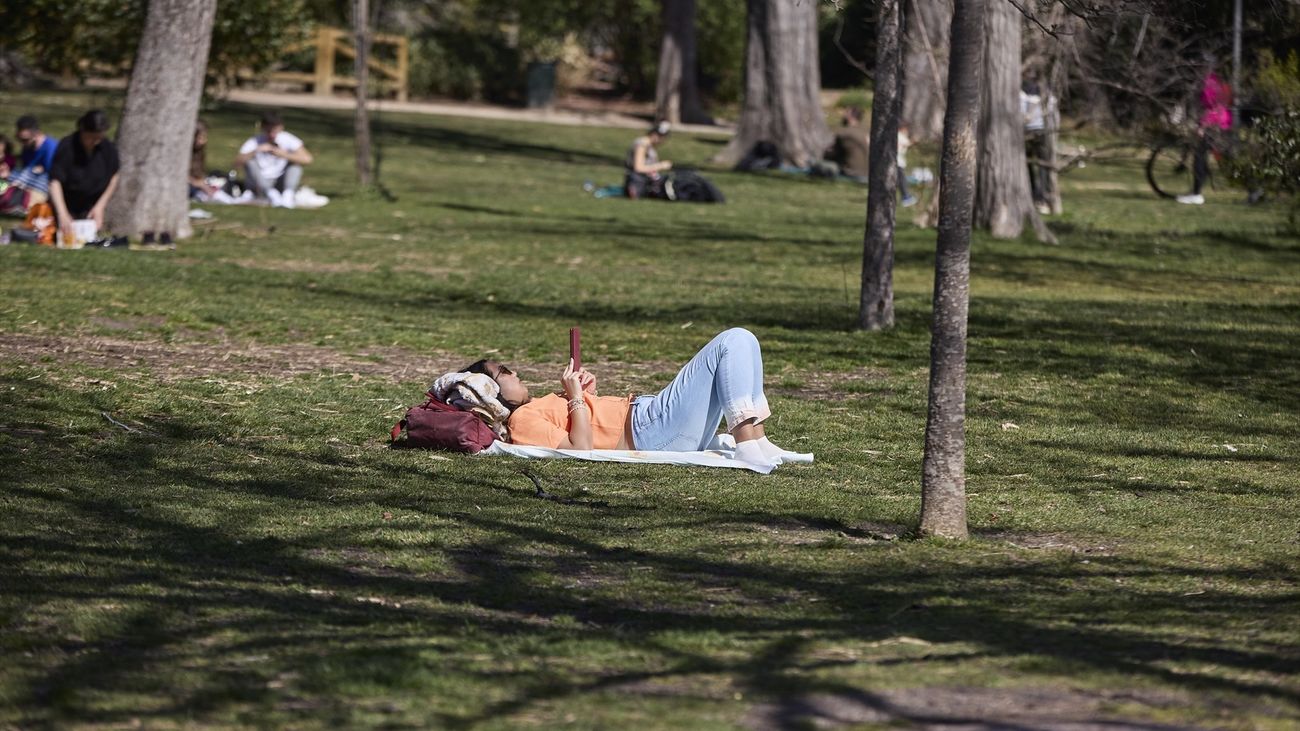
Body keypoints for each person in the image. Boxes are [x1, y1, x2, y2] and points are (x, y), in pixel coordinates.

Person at [461, 328, 802, 469]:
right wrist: (577, 399)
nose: (513, 372)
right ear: (491, 392)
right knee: (734, 340)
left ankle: (759, 438)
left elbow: (586, 424)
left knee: (747, 342)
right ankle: (746, 442)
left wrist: (585, 396)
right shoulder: (521, 420)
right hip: (651, 430)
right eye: (503, 371)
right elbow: (581, 449)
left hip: (654, 422)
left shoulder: (535, 408)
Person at [48, 109, 120, 243]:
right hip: (66, 202)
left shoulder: (107, 149)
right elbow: (55, 181)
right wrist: (62, 214)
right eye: (91, 137)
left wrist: (100, 206)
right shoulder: (67, 146)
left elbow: (114, 176)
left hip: (91, 205)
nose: (95, 141)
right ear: (82, 130)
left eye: (98, 138)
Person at [1179, 56, 1232, 206]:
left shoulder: (1209, 83)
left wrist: (1203, 126)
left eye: (1199, 64)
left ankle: (1196, 194)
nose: (1197, 67)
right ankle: (1253, 189)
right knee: (1221, 159)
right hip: (1221, 123)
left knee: (1199, 158)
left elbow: (1213, 107)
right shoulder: (1214, 80)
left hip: (1214, 125)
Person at [234, 110, 313, 208]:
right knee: (250, 162)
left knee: (295, 165)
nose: (272, 135)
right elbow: (236, 163)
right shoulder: (255, 141)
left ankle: (287, 195)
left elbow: (307, 159)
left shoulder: (288, 139)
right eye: (268, 131)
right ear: (262, 128)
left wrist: (284, 155)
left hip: (280, 180)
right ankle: (270, 194)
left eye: (275, 131)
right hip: (261, 181)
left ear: (281, 127)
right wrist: (256, 151)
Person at [0, 115, 59, 216]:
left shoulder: (51, 148)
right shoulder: (27, 147)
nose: (22, 143)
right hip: (26, 185)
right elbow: (26, 171)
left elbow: (53, 179)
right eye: (19, 139)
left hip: (43, 189)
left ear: (37, 134)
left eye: (25, 139)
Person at [1021, 78, 1051, 214]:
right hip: (1040, 131)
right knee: (1040, 166)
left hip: (1029, 132)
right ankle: (1040, 197)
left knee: (1032, 166)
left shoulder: (1023, 92)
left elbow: (1021, 114)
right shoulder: (1045, 93)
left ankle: (1039, 197)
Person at [624, 121, 672, 200]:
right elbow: (638, 168)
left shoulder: (649, 146)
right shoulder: (642, 144)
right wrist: (661, 165)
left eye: (663, 136)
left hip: (648, 179)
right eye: (659, 135)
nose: (661, 139)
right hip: (637, 179)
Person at [827, 106, 870, 181]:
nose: (842, 115)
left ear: (850, 117)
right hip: (869, 173)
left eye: (845, 113)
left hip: (852, 173)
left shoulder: (844, 132)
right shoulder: (866, 131)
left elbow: (831, 153)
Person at [897, 124, 917, 207]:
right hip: (898, 162)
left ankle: (906, 196)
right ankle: (906, 197)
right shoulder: (900, 135)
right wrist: (915, 140)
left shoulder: (897, 135)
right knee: (902, 180)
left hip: (898, 162)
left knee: (900, 180)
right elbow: (908, 144)